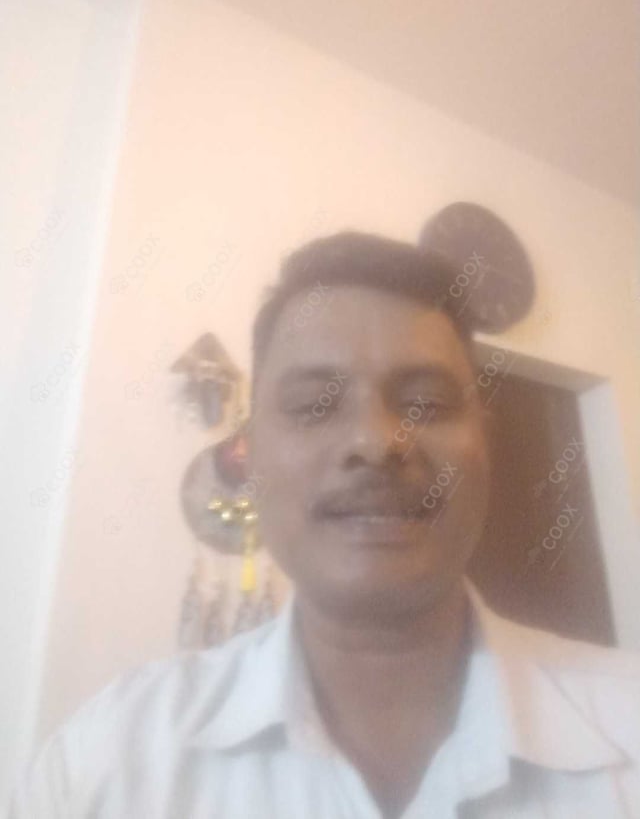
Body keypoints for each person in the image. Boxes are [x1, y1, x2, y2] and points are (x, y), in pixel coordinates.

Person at [10, 231, 640, 818]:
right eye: (314, 405)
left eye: (425, 403)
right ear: (250, 453)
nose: (375, 441)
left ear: (486, 445)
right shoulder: (105, 766)